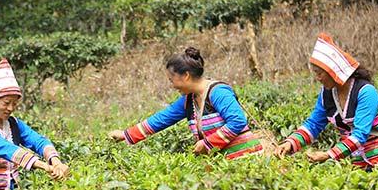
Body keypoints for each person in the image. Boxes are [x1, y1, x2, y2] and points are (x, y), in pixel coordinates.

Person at [108, 47, 264, 159]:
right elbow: (162, 119)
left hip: (247, 159)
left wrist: (207, 144)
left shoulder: (218, 92)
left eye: (172, 80)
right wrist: (125, 135)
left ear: (186, 76)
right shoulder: (189, 99)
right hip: (224, 164)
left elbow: (237, 121)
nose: (172, 85)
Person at [275, 33, 378, 169]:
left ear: (333, 71)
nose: (317, 78)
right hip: (356, 163)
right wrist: (290, 143)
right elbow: (314, 124)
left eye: (319, 73)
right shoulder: (327, 94)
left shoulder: (366, 92)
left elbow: (360, 135)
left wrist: (328, 155)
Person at [0, 59, 69, 190]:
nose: (10, 108)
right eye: (6, 103)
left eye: (14, 104)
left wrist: (55, 161)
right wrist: (45, 166)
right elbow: (7, 149)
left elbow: (38, 141)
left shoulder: (14, 124)